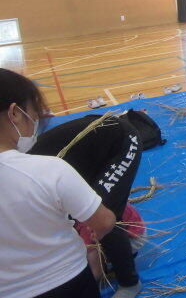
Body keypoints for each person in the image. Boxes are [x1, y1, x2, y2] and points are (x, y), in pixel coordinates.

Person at [0, 68, 116, 298]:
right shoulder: (48, 170)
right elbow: (104, 221)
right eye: (33, 113)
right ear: (15, 113)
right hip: (67, 281)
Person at [29, 113, 143, 297]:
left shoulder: (28, 176)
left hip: (122, 140)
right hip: (89, 154)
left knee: (104, 217)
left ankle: (129, 282)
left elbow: (102, 225)